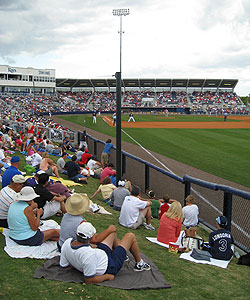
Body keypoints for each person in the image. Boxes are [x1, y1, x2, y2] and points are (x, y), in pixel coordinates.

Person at [60, 222, 151, 284]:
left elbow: (64, 265)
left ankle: (122, 254)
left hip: (100, 255)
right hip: (109, 265)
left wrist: (74, 263)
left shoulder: (67, 242)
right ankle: (139, 264)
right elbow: (89, 280)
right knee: (130, 236)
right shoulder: (88, 254)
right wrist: (107, 276)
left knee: (112, 232)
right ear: (91, 238)